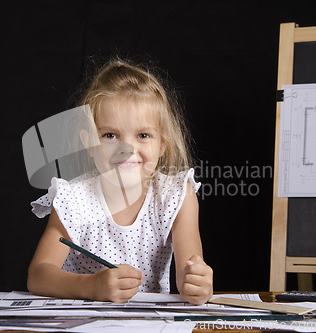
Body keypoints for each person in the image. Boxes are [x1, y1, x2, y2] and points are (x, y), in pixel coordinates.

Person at [27, 58, 213, 305]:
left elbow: (187, 274)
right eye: (110, 135)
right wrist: (91, 286)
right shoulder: (73, 199)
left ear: (162, 145)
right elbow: (38, 275)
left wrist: (197, 283)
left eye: (143, 135)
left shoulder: (176, 195)